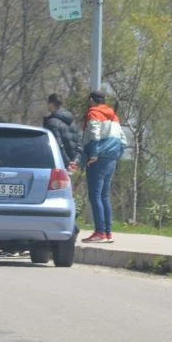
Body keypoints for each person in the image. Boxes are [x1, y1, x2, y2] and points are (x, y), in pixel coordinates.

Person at [80, 90, 128, 243]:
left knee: (95, 196)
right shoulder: (113, 116)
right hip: (111, 159)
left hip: (98, 159)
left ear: (92, 100)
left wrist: (93, 154)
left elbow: (94, 134)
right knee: (104, 196)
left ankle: (99, 232)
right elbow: (123, 140)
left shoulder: (94, 113)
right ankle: (107, 233)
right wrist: (116, 154)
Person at [43, 93, 83, 173]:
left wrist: (67, 164)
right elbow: (79, 145)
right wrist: (75, 162)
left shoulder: (52, 123)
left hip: (59, 164)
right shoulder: (72, 123)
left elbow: (58, 145)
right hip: (72, 165)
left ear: (51, 104)